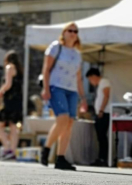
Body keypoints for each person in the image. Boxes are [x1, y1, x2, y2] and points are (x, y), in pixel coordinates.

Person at [41, 22, 87, 171]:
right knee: (62, 118)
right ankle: (46, 149)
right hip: (56, 87)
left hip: (72, 90)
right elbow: (46, 69)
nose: (73, 33)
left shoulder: (77, 54)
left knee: (69, 123)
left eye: (75, 31)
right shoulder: (56, 47)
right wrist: (46, 88)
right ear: (64, 32)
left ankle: (61, 158)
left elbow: (79, 78)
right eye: (70, 30)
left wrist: (83, 98)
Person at [0, 50, 23, 160]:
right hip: (17, 100)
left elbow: (8, 84)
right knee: (13, 126)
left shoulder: (9, 67)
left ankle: (7, 147)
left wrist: (0, 90)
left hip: (9, 100)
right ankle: (12, 150)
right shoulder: (19, 70)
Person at [86, 67, 111, 167]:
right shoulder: (101, 83)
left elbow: (106, 95)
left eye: (90, 79)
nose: (91, 82)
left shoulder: (104, 82)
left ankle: (103, 158)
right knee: (100, 137)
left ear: (93, 76)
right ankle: (101, 158)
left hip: (103, 113)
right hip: (100, 112)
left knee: (102, 137)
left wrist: (101, 109)